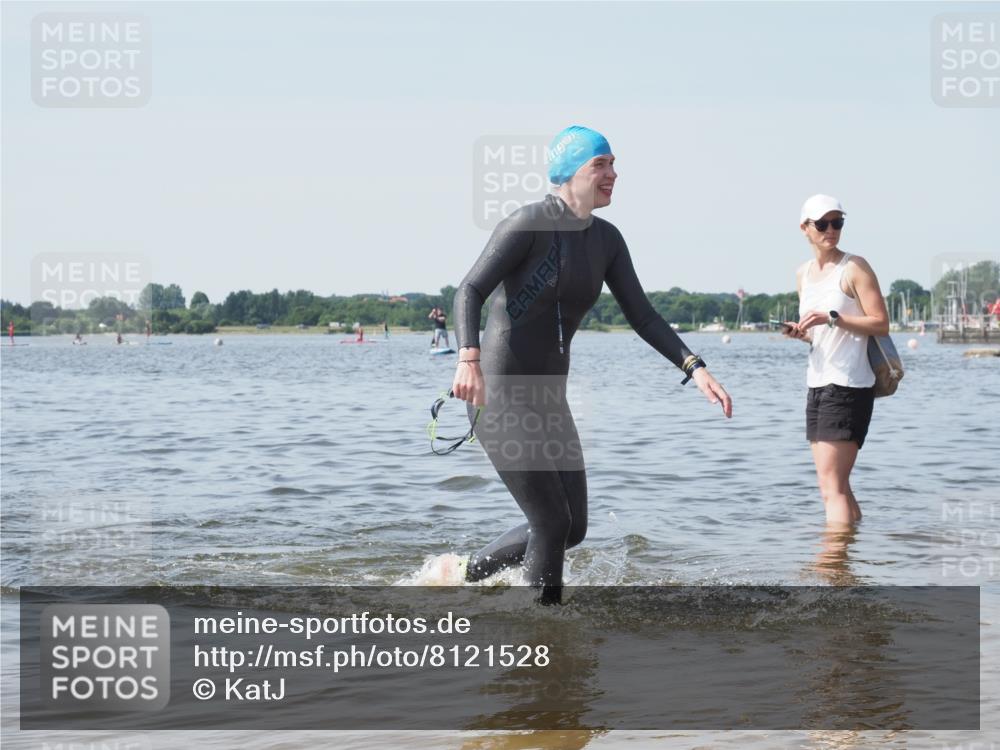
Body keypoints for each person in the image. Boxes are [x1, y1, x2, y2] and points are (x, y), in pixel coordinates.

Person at [450, 125, 732, 603]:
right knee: (551, 520)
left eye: (613, 164)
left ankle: (468, 574)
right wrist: (468, 359)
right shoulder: (528, 224)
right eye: (600, 165)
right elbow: (469, 290)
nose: (612, 174)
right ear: (569, 172)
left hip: (548, 402)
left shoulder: (606, 240)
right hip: (498, 395)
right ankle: (543, 628)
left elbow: (642, 314)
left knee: (572, 527)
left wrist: (694, 366)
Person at [783, 195, 889, 526]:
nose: (832, 229)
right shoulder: (803, 274)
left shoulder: (854, 267)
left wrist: (833, 318)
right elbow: (822, 334)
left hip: (847, 384)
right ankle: (848, 558)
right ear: (805, 228)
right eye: (823, 223)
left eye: (837, 222)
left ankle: (833, 565)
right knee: (836, 486)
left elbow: (881, 323)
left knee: (832, 489)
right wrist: (803, 334)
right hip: (817, 382)